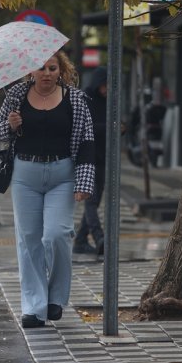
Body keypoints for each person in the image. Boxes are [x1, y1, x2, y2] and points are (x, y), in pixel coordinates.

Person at [0, 50, 95, 328]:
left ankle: (55, 298)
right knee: (29, 240)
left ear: (61, 70)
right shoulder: (15, 95)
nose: (47, 73)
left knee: (57, 235)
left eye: (52, 68)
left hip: (63, 175)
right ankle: (34, 308)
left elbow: (86, 139)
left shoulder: (75, 98)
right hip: (26, 174)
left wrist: (85, 181)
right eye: (41, 68)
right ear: (31, 72)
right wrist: (10, 125)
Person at [73, 66, 108, 256]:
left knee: (96, 199)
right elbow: (86, 127)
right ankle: (98, 236)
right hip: (87, 157)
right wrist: (109, 127)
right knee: (91, 200)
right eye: (104, 85)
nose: (107, 89)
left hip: (103, 156)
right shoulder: (85, 98)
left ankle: (79, 241)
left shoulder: (107, 100)